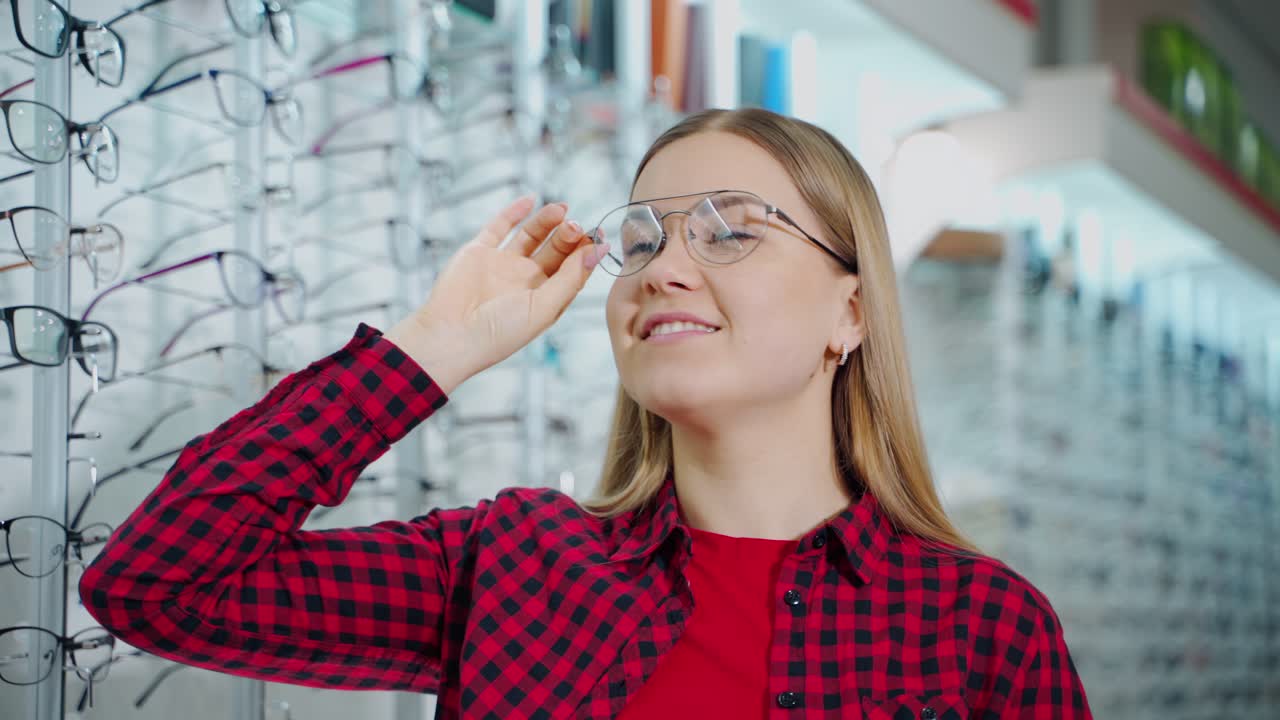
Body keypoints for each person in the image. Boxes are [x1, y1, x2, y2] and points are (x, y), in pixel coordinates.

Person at [79, 108, 1092, 719]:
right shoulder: (515, 565)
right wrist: (432, 347)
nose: (665, 269)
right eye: (642, 240)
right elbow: (159, 585)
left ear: (852, 312)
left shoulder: (980, 626)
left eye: (731, 232)